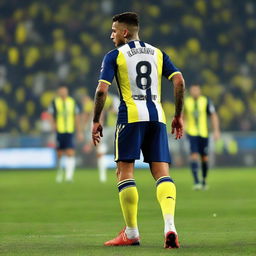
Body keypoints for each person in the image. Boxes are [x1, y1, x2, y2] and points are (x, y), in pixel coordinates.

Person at [91, 12, 185, 249]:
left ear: (124, 32)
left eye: (114, 30)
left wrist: (95, 120)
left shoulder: (115, 55)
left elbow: (102, 91)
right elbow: (179, 81)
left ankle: (131, 232)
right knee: (162, 173)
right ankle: (170, 226)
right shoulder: (158, 53)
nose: (111, 35)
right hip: (157, 118)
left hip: (130, 117)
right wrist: (178, 115)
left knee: (125, 173)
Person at [184, 84, 220, 190]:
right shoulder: (186, 102)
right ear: (191, 91)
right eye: (193, 90)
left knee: (204, 157)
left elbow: (213, 116)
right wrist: (183, 127)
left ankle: (204, 180)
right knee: (194, 155)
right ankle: (196, 181)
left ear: (200, 91)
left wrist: (216, 130)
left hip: (203, 133)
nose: (194, 92)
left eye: (196, 90)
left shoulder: (206, 101)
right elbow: (182, 116)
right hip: (192, 133)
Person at [48, 85, 83, 183]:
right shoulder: (55, 102)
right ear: (58, 92)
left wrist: (79, 131)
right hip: (59, 131)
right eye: (61, 91)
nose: (63, 93)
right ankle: (59, 172)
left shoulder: (72, 102)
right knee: (59, 153)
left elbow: (76, 117)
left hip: (69, 131)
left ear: (67, 92)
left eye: (64, 91)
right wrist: (53, 125)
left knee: (70, 152)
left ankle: (69, 176)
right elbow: (50, 115)